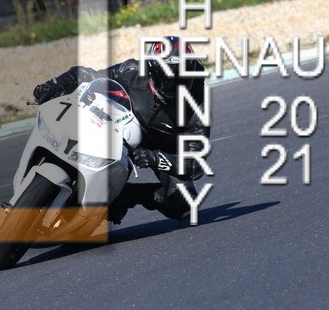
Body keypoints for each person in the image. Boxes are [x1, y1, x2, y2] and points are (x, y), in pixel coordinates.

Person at [33, 36, 211, 224]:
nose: (175, 85)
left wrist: (155, 158)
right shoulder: (131, 70)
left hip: (161, 147)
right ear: (152, 71)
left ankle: (128, 197)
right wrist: (55, 85)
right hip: (120, 128)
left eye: (183, 78)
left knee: (184, 202)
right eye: (168, 78)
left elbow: (196, 162)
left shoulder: (198, 103)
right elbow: (88, 75)